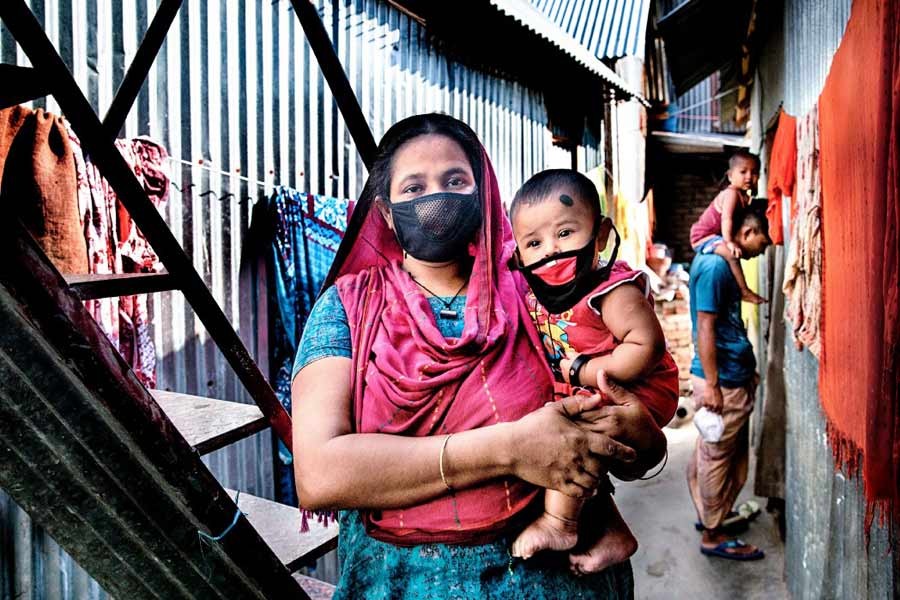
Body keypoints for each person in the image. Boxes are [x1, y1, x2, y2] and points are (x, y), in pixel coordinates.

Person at [291, 113, 670, 597]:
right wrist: (509, 448)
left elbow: (632, 421)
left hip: (565, 580)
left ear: (482, 191)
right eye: (414, 187)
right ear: (386, 213)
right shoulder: (348, 307)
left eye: (455, 180)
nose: (437, 197)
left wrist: (643, 441)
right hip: (404, 585)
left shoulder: (537, 290)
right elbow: (319, 473)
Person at [508, 169, 679, 570]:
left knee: (571, 440)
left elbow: (647, 347)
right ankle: (613, 532)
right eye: (534, 242)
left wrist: (583, 369)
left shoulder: (611, 291)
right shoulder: (532, 289)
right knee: (583, 451)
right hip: (592, 388)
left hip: (639, 389)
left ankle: (560, 522)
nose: (551, 251)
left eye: (565, 233)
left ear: (600, 236)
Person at [686, 205, 771, 561]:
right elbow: (705, 327)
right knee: (716, 456)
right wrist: (715, 385)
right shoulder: (716, 267)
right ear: (748, 233)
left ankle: (712, 516)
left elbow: (724, 325)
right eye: (763, 242)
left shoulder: (722, 265)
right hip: (721, 381)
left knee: (723, 454)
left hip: (731, 375)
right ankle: (713, 533)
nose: (763, 250)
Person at [690, 150, 766, 304]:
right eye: (743, 172)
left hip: (715, 236)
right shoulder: (731, 194)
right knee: (731, 255)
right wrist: (729, 242)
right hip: (703, 237)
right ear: (730, 175)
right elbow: (727, 219)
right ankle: (745, 291)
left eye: (754, 172)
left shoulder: (743, 195)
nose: (749, 177)